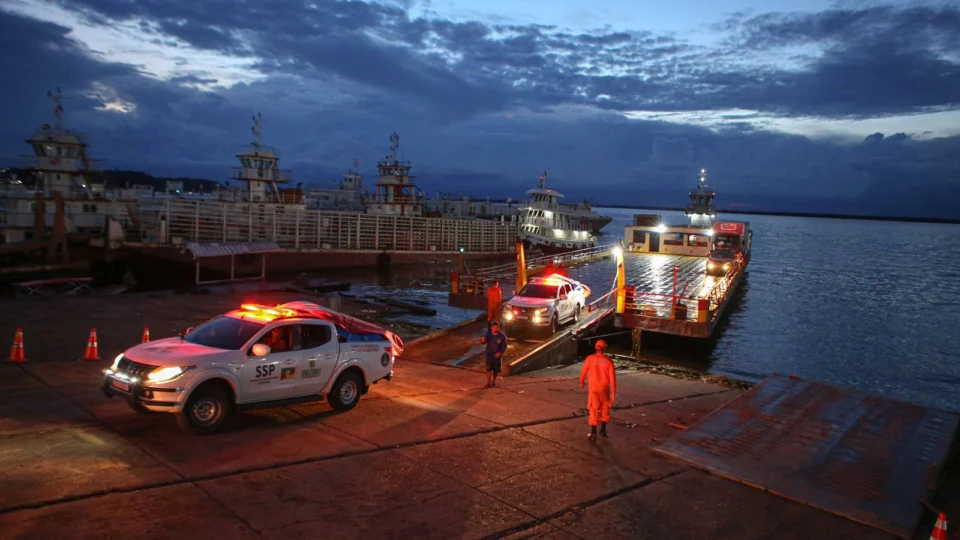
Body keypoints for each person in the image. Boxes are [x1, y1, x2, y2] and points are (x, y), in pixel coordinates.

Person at [579, 339, 616, 441]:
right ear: (605, 349)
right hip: (604, 388)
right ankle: (603, 430)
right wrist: (613, 393)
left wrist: (582, 381)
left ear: (595, 348)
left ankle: (593, 433)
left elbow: (583, 371)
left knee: (594, 408)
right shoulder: (608, 361)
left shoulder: (590, 359)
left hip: (593, 388)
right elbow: (612, 379)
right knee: (605, 407)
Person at [480, 321, 508, 387]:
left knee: (495, 370)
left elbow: (504, 346)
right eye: (494, 327)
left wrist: (500, 352)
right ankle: (489, 382)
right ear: (491, 328)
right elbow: (484, 341)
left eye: (496, 327)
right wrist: (482, 340)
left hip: (497, 357)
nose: (495, 329)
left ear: (498, 328)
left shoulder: (502, 336)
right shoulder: (488, 334)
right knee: (488, 369)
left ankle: (493, 381)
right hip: (489, 355)